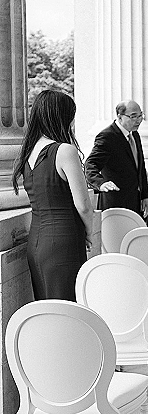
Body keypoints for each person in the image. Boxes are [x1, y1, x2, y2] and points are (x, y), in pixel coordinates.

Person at [12, 90, 93, 301]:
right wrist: (90, 232)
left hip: (37, 242)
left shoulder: (28, 153)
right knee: (68, 307)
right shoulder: (64, 150)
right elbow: (83, 204)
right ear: (61, 117)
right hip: (64, 240)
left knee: (47, 306)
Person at [85, 100, 148, 219]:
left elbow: (140, 168)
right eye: (133, 116)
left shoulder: (135, 135)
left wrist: (145, 196)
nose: (139, 120)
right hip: (114, 204)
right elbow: (90, 164)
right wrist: (101, 183)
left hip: (135, 203)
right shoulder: (107, 136)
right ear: (120, 117)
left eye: (140, 115)